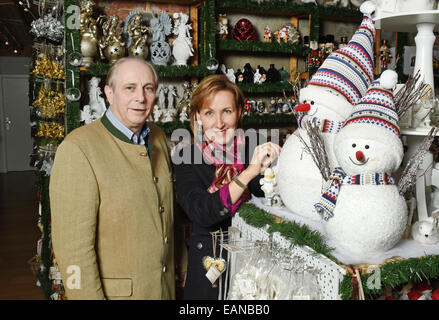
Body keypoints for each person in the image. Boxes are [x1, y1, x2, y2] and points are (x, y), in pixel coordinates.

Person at [50, 57, 186, 299]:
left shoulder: (158, 137)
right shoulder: (77, 149)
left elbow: (167, 211)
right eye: (129, 88)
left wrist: (182, 264)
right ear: (109, 94)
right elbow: (72, 252)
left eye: (148, 88)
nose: (140, 98)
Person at [172, 74, 281, 299]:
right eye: (209, 112)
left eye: (227, 112)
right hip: (209, 268)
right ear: (197, 117)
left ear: (239, 112)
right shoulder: (186, 156)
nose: (219, 123)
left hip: (256, 267)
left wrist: (282, 166)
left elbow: (276, 202)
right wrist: (250, 171)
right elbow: (201, 211)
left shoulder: (256, 146)